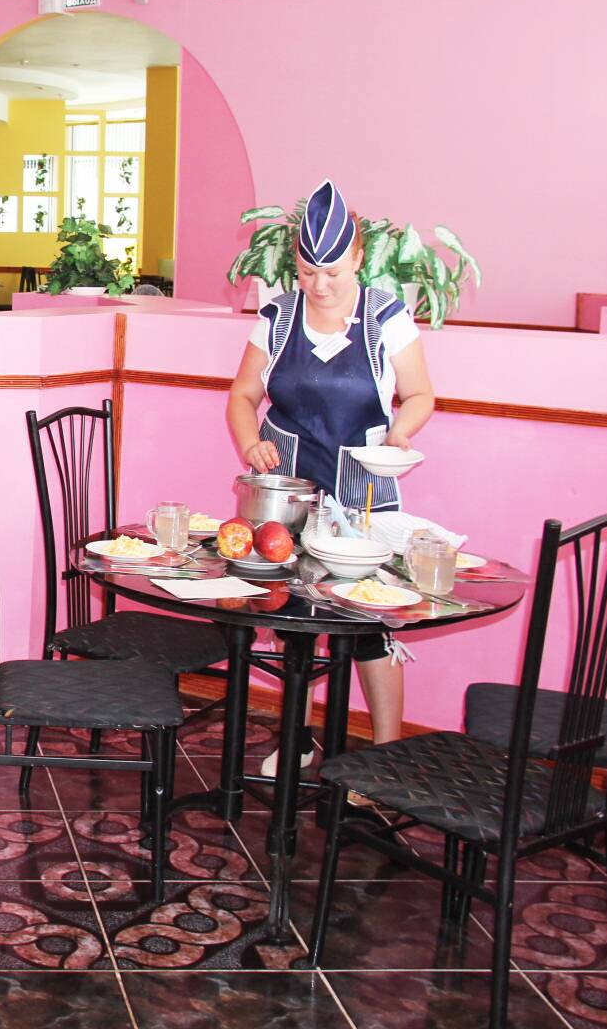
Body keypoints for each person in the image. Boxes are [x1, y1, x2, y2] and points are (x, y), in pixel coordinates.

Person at [225, 179, 435, 772]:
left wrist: (400, 433)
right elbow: (243, 395)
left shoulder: (387, 318)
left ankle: (384, 760)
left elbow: (420, 394)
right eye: (307, 271)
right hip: (288, 494)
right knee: (294, 620)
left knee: (368, 624)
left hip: (363, 490)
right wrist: (251, 442)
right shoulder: (276, 318)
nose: (319, 285)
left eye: (333, 272)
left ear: (359, 259)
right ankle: (295, 739)